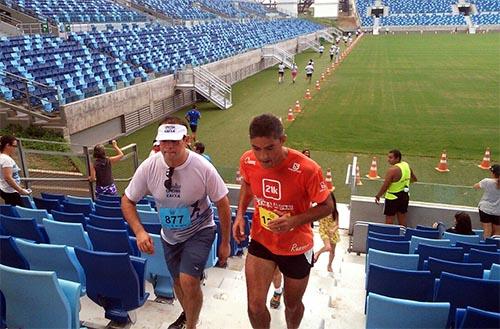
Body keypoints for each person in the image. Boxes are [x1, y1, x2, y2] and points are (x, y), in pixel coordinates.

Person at [122, 116, 231, 329]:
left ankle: (191, 325)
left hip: (200, 229)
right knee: (178, 283)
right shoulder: (150, 166)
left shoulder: (202, 167)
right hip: (170, 236)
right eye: (165, 141)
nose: (169, 147)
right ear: (158, 142)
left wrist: (225, 243)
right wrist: (139, 231)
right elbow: (127, 200)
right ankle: (188, 313)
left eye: (175, 141)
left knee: (189, 280)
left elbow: (223, 202)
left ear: (186, 140)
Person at [233, 113, 333, 329]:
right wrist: (240, 214)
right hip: (262, 240)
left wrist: (295, 221)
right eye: (256, 148)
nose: (263, 156)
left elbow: (328, 206)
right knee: (254, 306)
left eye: (269, 148)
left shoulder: (307, 169)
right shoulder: (247, 160)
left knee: (292, 305)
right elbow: (248, 185)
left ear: (282, 140)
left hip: (296, 246)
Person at [375, 149, 417, 227]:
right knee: (402, 219)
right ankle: (403, 236)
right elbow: (414, 179)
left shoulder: (392, 170)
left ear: (397, 158)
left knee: (389, 221)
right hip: (404, 196)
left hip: (392, 198)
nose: (388, 160)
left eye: (391, 158)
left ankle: (388, 237)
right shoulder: (406, 165)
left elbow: (385, 185)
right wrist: (405, 183)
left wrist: (378, 195)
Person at [0, 135, 30, 206]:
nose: (15, 149)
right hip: (11, 192)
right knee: (20, 212)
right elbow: (8, 178)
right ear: (7, 145)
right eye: (14, 146)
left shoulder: (2, 157)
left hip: (6, 189)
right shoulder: (6, 160)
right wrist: (21, 190)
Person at [314, 192, 340, 272]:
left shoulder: (335, 212)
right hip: (323, 231)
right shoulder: (321, 210)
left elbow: (337, 224)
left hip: (333, 233)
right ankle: (318, 253)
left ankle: (329, 265)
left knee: (332, 251)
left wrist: (333, 230)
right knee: (328, 247)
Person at [473, 164, 500, 238]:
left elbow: (476, 186)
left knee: (487, 231)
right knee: (497, 233)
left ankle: (486, 247)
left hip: (485, 210)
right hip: (498, 212)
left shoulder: (487, 181)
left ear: (493, 173)